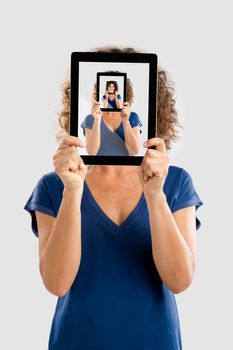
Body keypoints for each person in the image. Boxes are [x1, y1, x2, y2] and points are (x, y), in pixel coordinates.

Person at [23, 46, 204, 350]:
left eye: (114, 87)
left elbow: (180, 280)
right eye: (106, 87)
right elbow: (56, 283)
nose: (111, 91)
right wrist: (73, 191)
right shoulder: (54, 187)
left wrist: (155, 196)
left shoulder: (175, 183)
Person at [81, 74, 143, 156]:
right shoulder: (90, 119)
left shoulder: (132, 117)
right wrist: (97, 120)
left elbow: (134, 151)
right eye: (109, 87)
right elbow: (92, 153)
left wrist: (125, 122)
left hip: (126, 168)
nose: (111, 88)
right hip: (99, 168)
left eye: (113, 87)